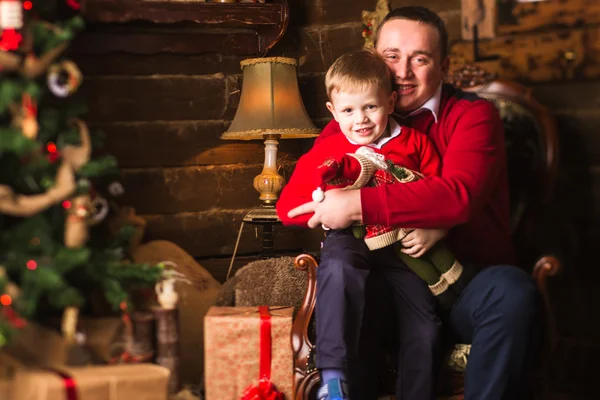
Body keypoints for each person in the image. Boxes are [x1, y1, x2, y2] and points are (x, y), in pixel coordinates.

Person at [287, 6, 538, 400]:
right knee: (359, 291)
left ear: (443, 66)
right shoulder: (354, 120)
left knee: (513, 290)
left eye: (419, 59)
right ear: (375, 59)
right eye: (391, 57)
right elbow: (313, 194)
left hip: (463, 284)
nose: (403, 71)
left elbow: (457, 195)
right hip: (394, 287)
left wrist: (357, 204)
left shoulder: (474, 116)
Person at [277, 49, 470, 400]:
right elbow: (287, 209)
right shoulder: (329, 151)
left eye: (370, 107)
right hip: (349, 242)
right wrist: (320, 205)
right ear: (333, 112)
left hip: (402, 254)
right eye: (349, 111)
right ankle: (334, 377)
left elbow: (440, 195)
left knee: (425, 326)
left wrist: (436, 229)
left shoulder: (415, 144)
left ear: (391, 101)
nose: (361, 120)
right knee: (337, 266)